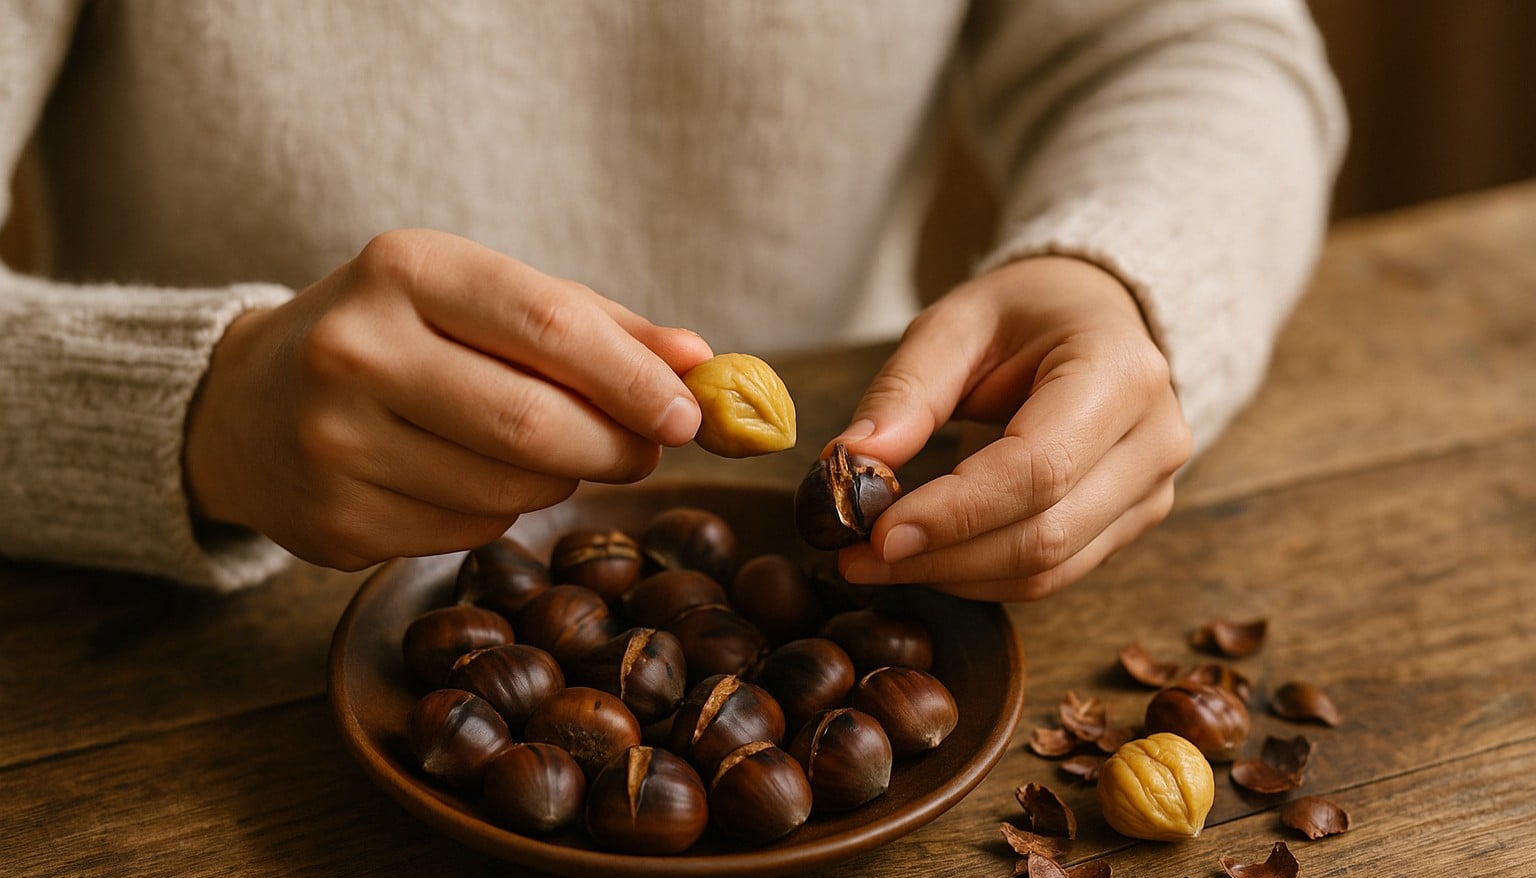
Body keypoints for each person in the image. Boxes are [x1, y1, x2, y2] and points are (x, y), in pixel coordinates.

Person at [0, 1, 1345, 600]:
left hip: (865, 526)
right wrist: (192, 410)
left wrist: (1122, 270)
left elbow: (1196, 40)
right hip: (211, 627)